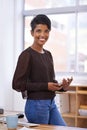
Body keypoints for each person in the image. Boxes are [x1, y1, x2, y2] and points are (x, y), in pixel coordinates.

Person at [12, 14, 73, 126]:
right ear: (32, 33)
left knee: (64, 128)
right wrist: (46, 86)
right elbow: (17, 84)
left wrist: (62, 87)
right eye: (38, 31)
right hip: (36, 105)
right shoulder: (26, 55)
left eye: (46, 31)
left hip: (51, 103)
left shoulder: (48, 54)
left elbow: (50, 82)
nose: (42, 35)